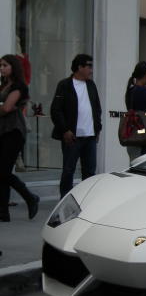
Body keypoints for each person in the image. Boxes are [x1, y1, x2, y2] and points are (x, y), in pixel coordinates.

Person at [50, 53, 102, 198]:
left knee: (90, 171)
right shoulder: (65, 85)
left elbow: (97, 108)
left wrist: (98, 129)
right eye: (89, 66)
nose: (91, 70)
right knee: (68, 170)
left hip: (90, 136)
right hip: (72, 136)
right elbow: (56, 110)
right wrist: (65, 130)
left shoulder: (91, 85)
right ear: (80, 67)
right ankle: (64, 199)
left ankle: (86, 200)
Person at [0, 54, 39, 221]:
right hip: (3, 130)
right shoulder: (4, 85)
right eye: (0, 66)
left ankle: (30, 197)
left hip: (14, 131)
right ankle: (3, 213)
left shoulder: (19, 86)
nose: (1, 68)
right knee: (2, 172)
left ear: (13, 67)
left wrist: (4, 107)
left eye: (4, 65)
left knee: (2, 171)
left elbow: (7, 108)